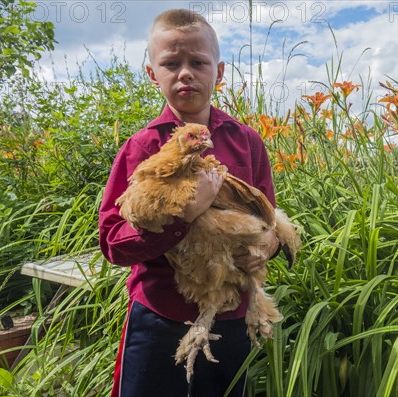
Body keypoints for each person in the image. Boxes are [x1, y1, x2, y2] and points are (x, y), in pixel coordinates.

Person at [98, 9, 280, 397]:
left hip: (231, 313)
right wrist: (185, 216)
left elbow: (270, 221)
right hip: (160, 314)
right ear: (152, 73)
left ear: (220, 71)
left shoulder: (246, 142)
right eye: (171, 63)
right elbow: (113, 243)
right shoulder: (141, 148)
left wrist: (267, 248)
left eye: (198, 62)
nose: (185, 73)